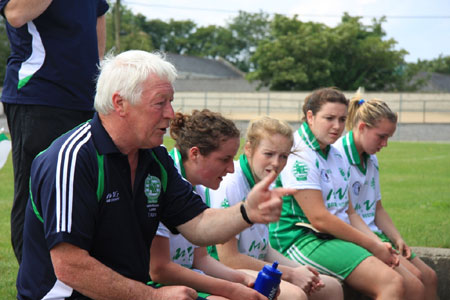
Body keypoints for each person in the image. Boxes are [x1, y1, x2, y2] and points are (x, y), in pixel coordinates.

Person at [17, 50, 294, 300]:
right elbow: (70, 266)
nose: (171, 114)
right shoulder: (74, 158)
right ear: (120, 104)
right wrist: (153, 297)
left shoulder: (155, 158)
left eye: (170, 102)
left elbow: (197, 225)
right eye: (160, 103)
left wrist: (246, 212)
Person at [269, 87, 408, 300]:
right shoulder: (299, 152)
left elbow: (350, 212)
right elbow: (319, 218)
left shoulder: (335, 153)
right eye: (329, 118)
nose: (337, 126)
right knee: (392, 282)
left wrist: (377, 244)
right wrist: (371, 245)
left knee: (408, 281)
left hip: (328, 238)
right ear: (310, 117)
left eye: (342, 119)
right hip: (299, 240)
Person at [0, 0, 109, 263]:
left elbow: (99, 15)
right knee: (36, 192)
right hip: (40, 94)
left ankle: (77, 272)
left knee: (85, 190)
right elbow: (16, 14)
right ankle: (34, 280)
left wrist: (98, 76)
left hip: (85, 99)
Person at [208, 116, 344, 300]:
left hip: (250, 267)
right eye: (268, 154)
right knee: (295, 296)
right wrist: (290, 274)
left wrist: (300, 270)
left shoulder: (266, 182)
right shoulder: (231, 183)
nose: (276, 163)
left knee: (331, 286)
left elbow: (263, 249)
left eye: (283, 156)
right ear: (249, 149)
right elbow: (229, 259)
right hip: (222, 272)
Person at [150, 109, 266, 300]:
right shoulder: (162, 182)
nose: (231, 169)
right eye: (224, 159)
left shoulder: (197, 188)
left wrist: (244, 280)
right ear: (195, 154)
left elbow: (200, 259)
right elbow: (159, 270)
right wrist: (231, 289)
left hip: (185, 282)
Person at [334, 94, 438, 300]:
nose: (385, 144)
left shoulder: (371, 158)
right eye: (381, 136)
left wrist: (398, 238)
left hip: (375, 237)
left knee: (430, 276)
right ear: (362, 127)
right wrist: (376, 244)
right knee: (414, 281)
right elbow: (345, 215)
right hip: (355, 238)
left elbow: (378, 209)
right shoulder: (337, 156)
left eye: (388, 137)